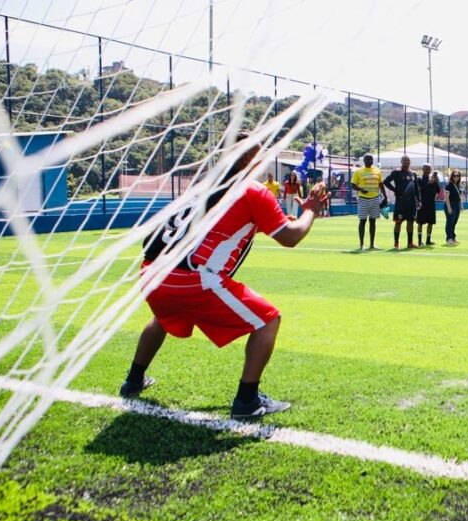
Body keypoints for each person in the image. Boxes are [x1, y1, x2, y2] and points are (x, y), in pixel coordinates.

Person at [120, 134, 329, 420]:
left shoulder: (203, 185)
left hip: (153, 275)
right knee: (268, 320)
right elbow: (290, 238)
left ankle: (132, 381)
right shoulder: (253, 191)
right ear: (245, 158)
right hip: (191, 280)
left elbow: (228, 226)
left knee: (163, 318)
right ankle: (247, 401)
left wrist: (283, 220)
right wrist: (310, 212)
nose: (261, 160)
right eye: (258, 154)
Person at [384, 155, 420, 249]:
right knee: (398, 222)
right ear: (401, 162)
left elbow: (416, 188)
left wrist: (419, 200)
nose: (406, 162)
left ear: (410, 162)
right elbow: (386, 182)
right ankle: (396, 243)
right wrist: (395, 190)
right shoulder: (396, 172)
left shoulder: (413, 174)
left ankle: (410, 243)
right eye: (404, 160)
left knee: (411, 222)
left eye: (408, 160)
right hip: (401, 201)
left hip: (411, 202)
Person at [351, 153, 386, 250]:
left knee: (373, 221)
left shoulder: (377, 170)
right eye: (367, 159)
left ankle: (372, 245)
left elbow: (381, 184)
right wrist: (361, 189)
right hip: (363, 199)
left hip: (375, 198)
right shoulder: (358, 171)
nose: (369, 161)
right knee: (362, 221)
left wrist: (385, 197)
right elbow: (353, 185)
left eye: (371, 159)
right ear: (364, 160)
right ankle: (362, 245)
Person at [416, 165, 440, 246]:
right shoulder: (419, 179)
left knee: (431, 222)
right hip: (422, 203)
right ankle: (419, 241)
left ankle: (428, 240)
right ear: (422, 169)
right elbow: (419, 190)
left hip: (431, 203)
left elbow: (438, 191)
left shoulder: (432, 179)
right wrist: (429, 183)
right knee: (420, 223)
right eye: (426, 169)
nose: (427, 170)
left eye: (429, 169)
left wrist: (436, 182)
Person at [444, 169, 463, 245]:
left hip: (456, 204)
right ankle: (449, 239)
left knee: (454, 222)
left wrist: (461, 206)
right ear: (452, 176)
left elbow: (459, 196)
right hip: (450, 204)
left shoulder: (457, 185)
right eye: (454, 175)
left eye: (458, 176)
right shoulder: (449, 185)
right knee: (450, 222)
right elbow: (446, 197)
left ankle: (453, 237)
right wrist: (449, 207)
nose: (456, 177)